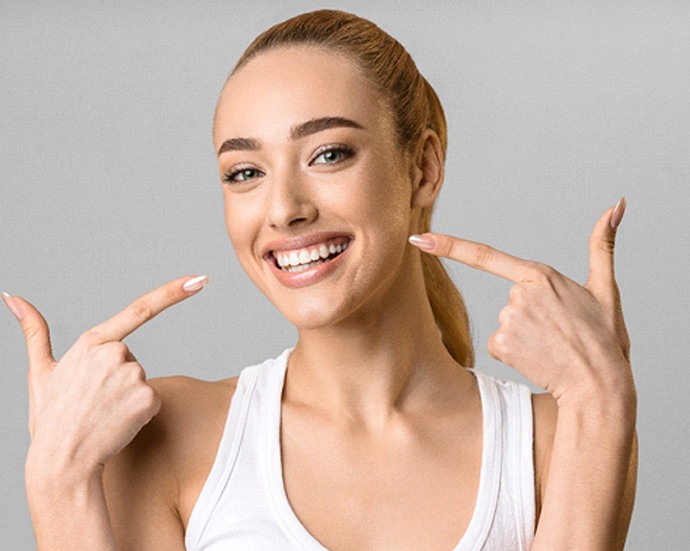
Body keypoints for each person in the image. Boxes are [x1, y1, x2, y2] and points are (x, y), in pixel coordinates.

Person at [3, 9, 637, 550]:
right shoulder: (167, 436)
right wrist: (58, 481)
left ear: (422, 167)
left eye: (328, 154)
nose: (284, 209)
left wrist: (603, 398)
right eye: (244, 172)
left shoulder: (558, 437)